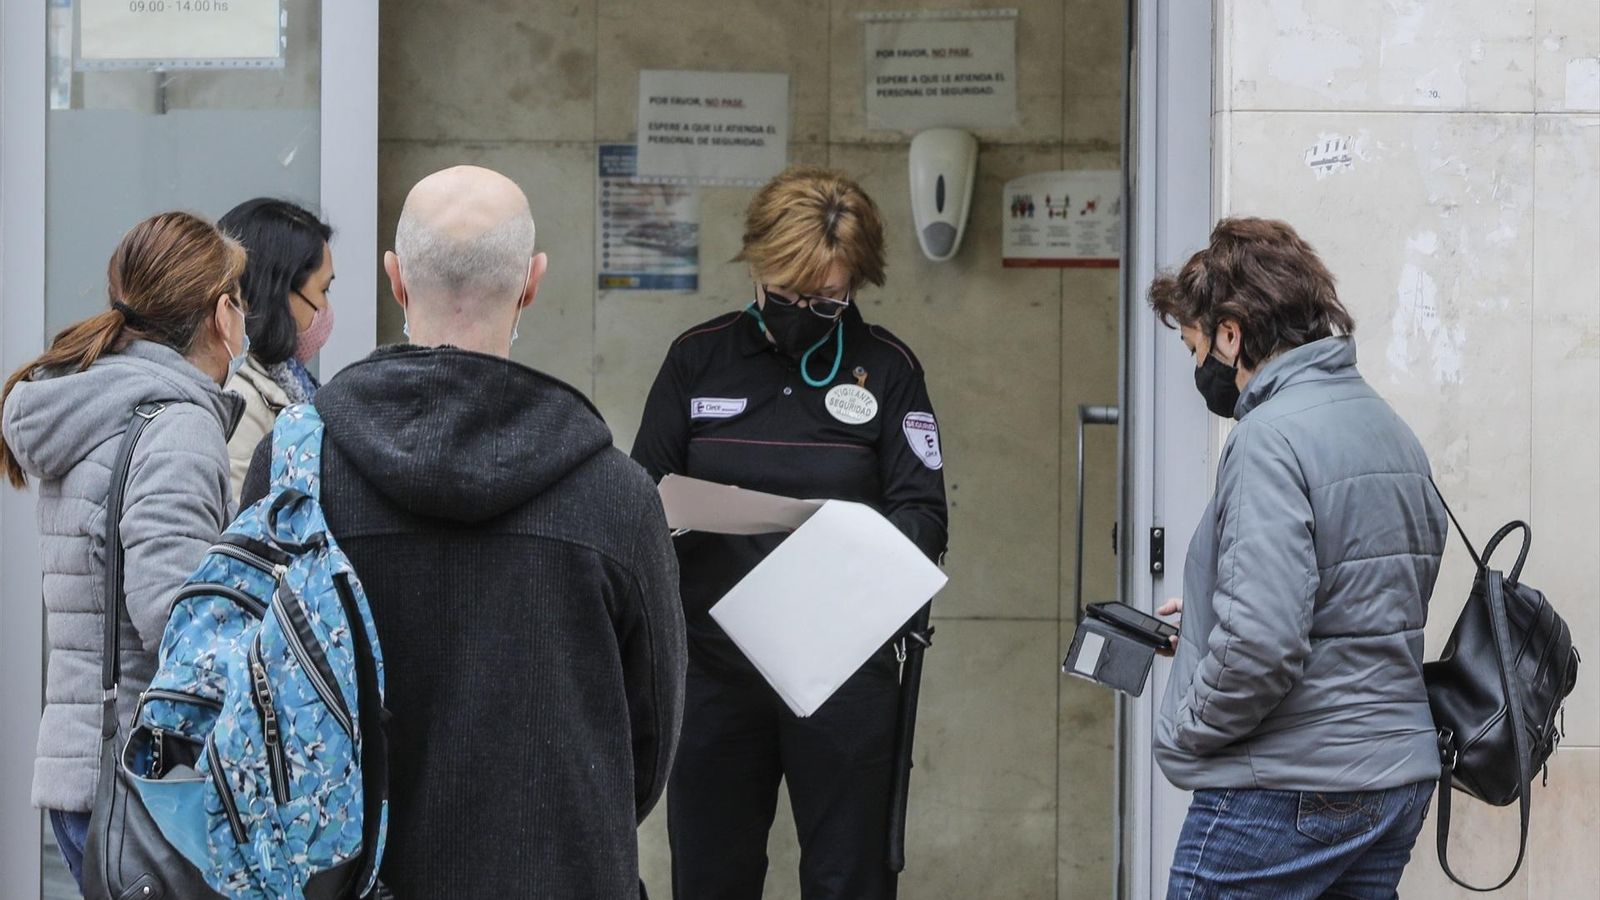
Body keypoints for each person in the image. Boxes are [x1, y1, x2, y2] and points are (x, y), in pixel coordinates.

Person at [240, 165, 686, 899]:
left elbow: (251, 701)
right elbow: (651, 740)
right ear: (532, 282)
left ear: (395, 280)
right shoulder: (617, 496)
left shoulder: (296, 472)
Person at [631, 165, 948, 900]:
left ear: (856, 283)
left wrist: (851, 551)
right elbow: (640, 496)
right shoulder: (696, 358)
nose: (805, 310)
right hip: (713, 667)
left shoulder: (888, 368)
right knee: (713, 875)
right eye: (787, 292)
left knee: (849, 878)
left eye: (828, 298)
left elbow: (923, 512)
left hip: (841, 668)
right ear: (756, 267)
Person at [1148, 217, 1447, 899]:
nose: (1199, 369)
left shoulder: (1267, 439)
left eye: (1195, 347)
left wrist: (1188, 732)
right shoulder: (1386, 427)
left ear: (1231, 333)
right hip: (1392, 779)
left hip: (1289, 787)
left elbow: (1262, 644)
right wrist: (1205, 613)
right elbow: (1363, 592)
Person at [0, 211, 249, 890]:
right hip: (149, 787)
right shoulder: (178, 426)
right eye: (240, 299)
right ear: (220, 315)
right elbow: (177, 620)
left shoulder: (99, 404)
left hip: (88, 771)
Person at [218, 198, 335, 499]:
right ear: (279, 292)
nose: (325, 308)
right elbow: (232, 529)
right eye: (324, 290)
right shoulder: (239, 400)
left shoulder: (277, 385)